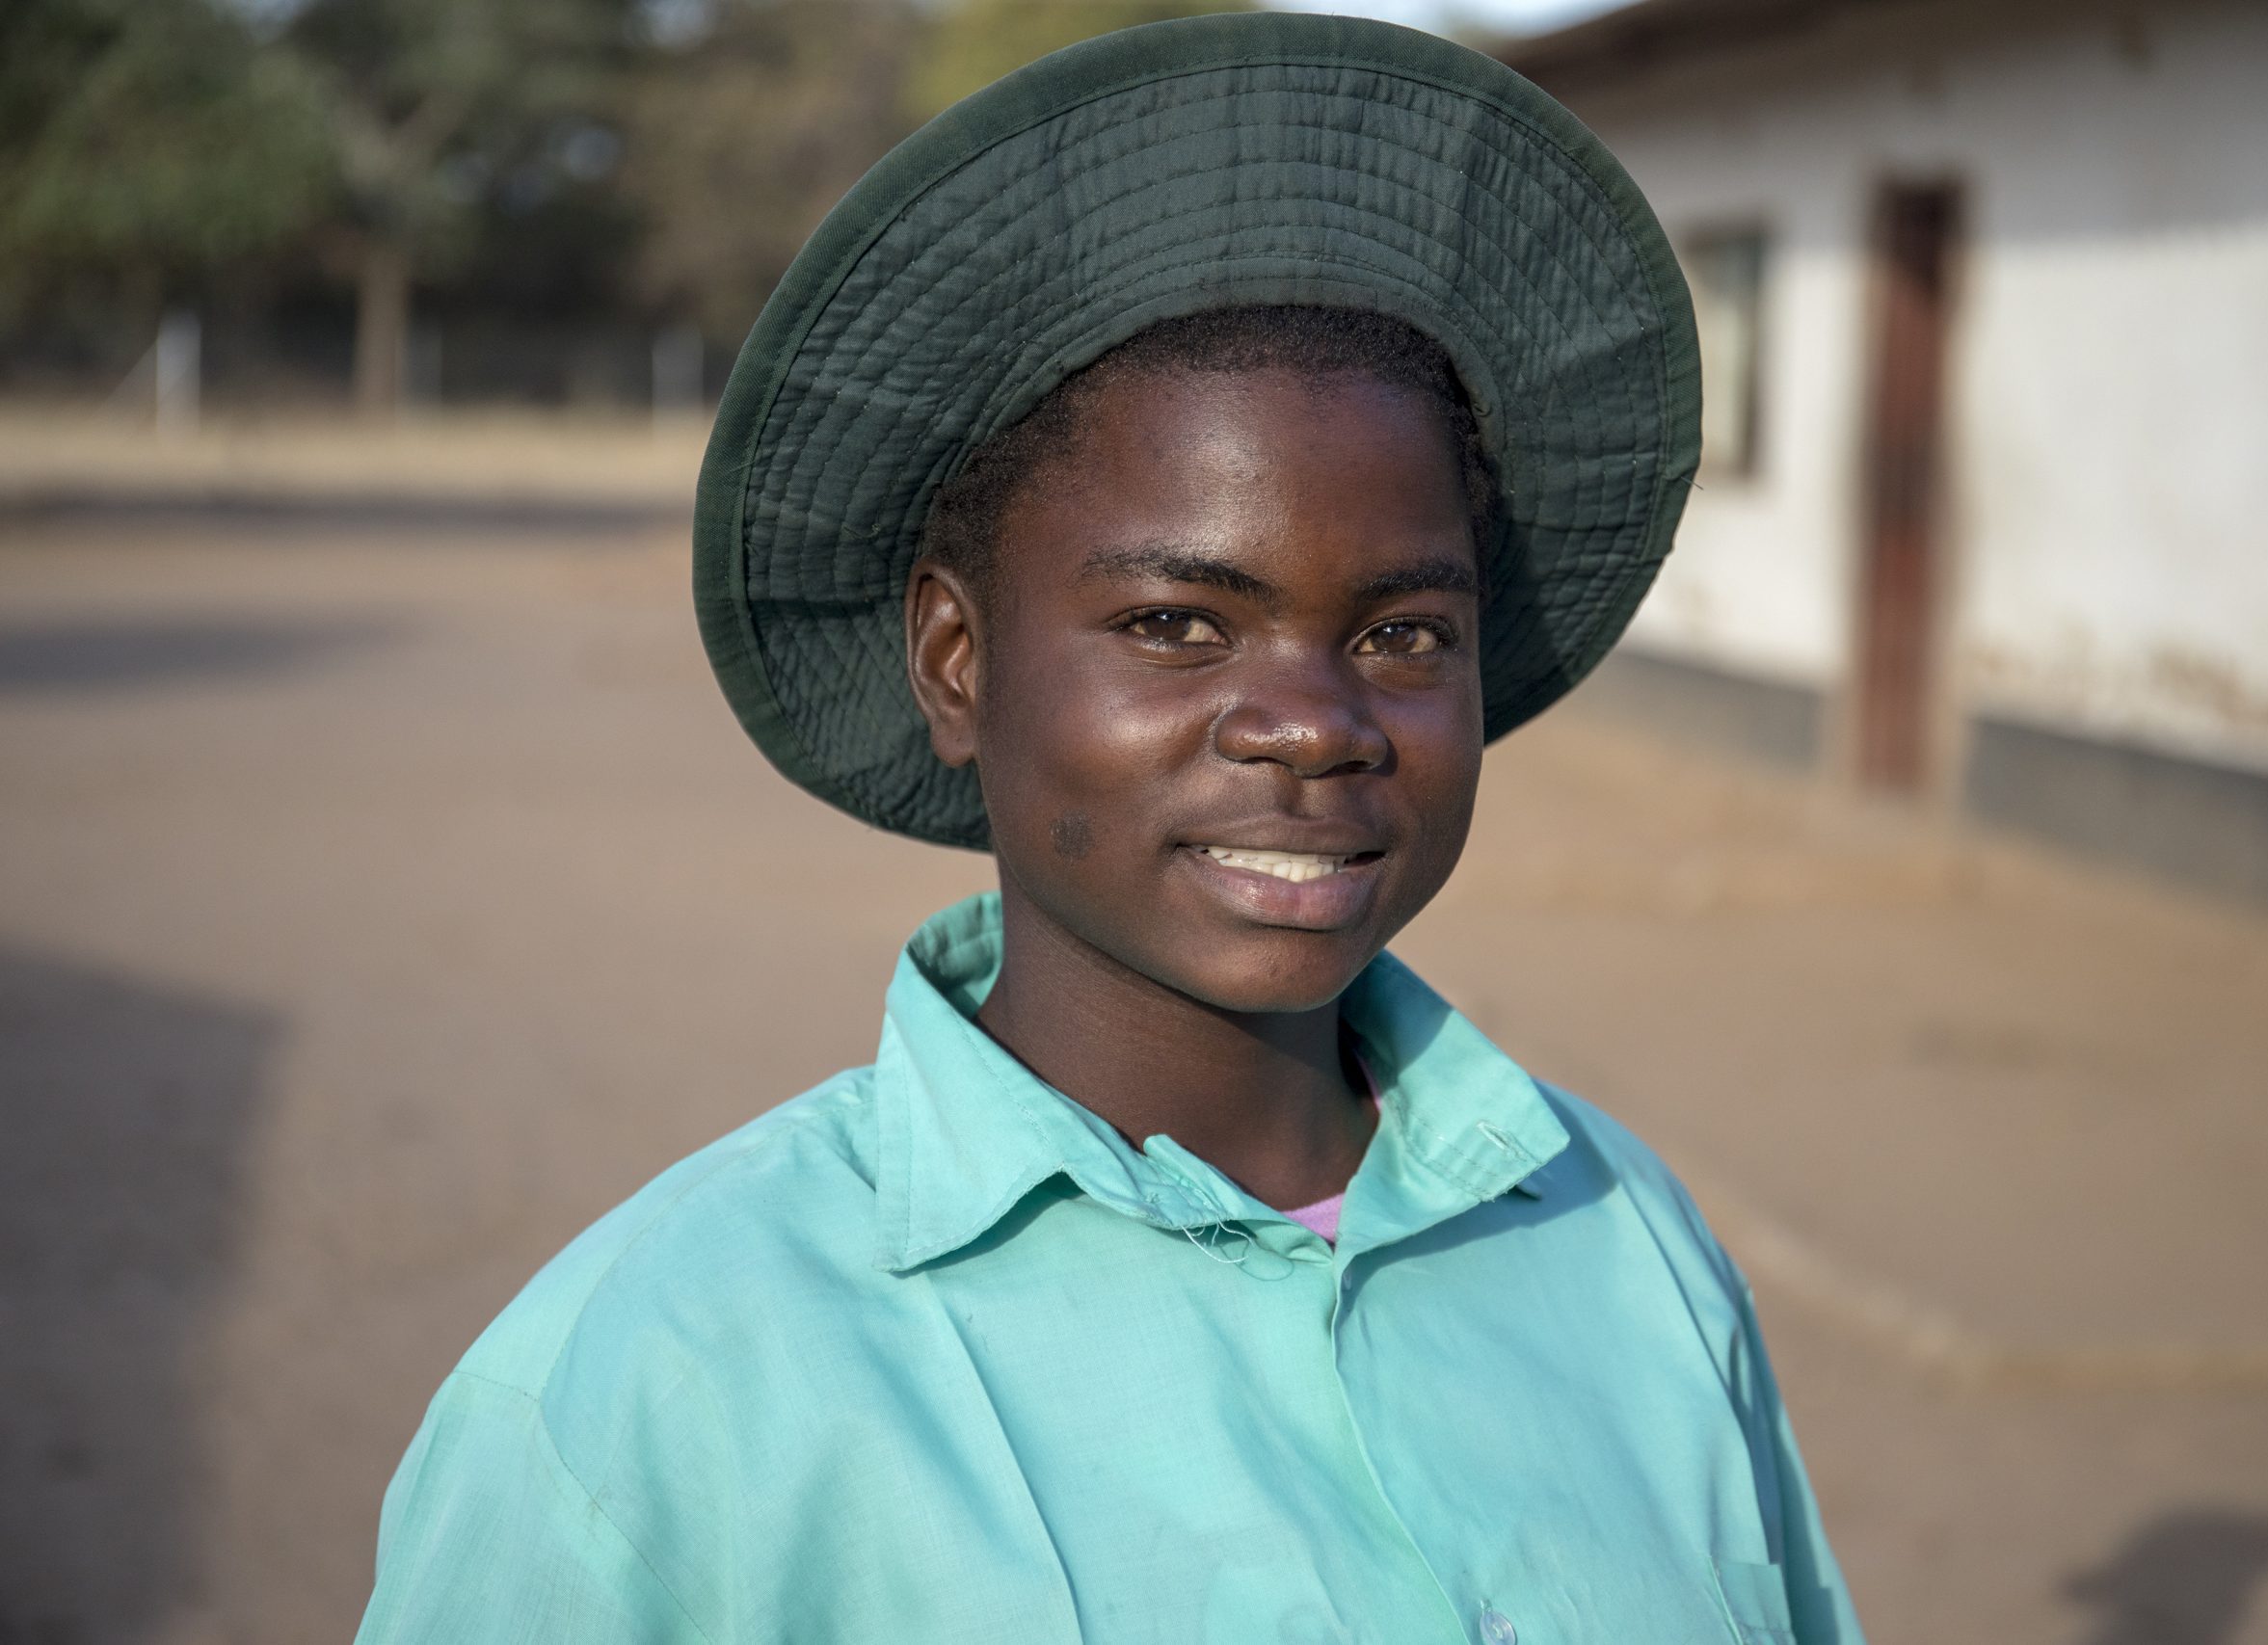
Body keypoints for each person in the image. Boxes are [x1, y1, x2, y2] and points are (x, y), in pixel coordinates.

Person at [356, 14, 1863, 1644]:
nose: (1315, 722)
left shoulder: (1622, 1239)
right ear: (957, 661)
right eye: (1174, 625)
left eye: (1404, 633)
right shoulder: (659, 1387)